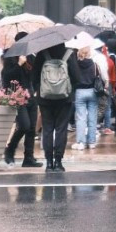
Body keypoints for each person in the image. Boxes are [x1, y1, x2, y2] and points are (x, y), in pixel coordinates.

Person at [32, 43, 82, 172]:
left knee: (47, 129)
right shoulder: (69, 54)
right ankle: (58, 162)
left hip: (45, 98)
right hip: (64, 99)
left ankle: (49, 163)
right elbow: (77, 78)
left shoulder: (42, 54)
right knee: (61, 129)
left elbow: (34, 77)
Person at [1, 35, 41, 168]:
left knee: (31, 128)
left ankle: (28, 157)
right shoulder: (9, 56)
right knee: (24, 125)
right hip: (17, 96)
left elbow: (35, 74)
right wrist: (19, 64)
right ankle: (10, 149)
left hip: (31, 95)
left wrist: (35, 89)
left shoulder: (30, 56)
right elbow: (6, 76)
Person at [70, 46, 102, 151]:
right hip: (92, 91)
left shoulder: (76, 65)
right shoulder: (94, 64)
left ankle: (81, 142)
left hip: (79, 91)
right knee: (92, 117)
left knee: (80, 118)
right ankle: (91, 142)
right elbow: (100, 77)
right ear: (89, 53)